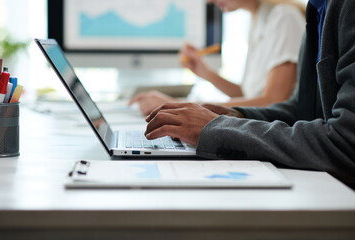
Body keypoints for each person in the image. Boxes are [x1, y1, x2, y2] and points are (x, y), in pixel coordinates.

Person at [144, 0, 355, 188]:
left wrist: (219, 127)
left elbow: (345, 141)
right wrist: (236, 114)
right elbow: (303, 109)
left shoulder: (308, 12)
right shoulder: (317, 8)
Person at [129, 0, 306, 116]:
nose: (209, 1)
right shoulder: (258, 18)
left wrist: (180, 105)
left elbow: (273, 101)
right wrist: (205, 73)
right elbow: (249, 95)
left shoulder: (284, 16)